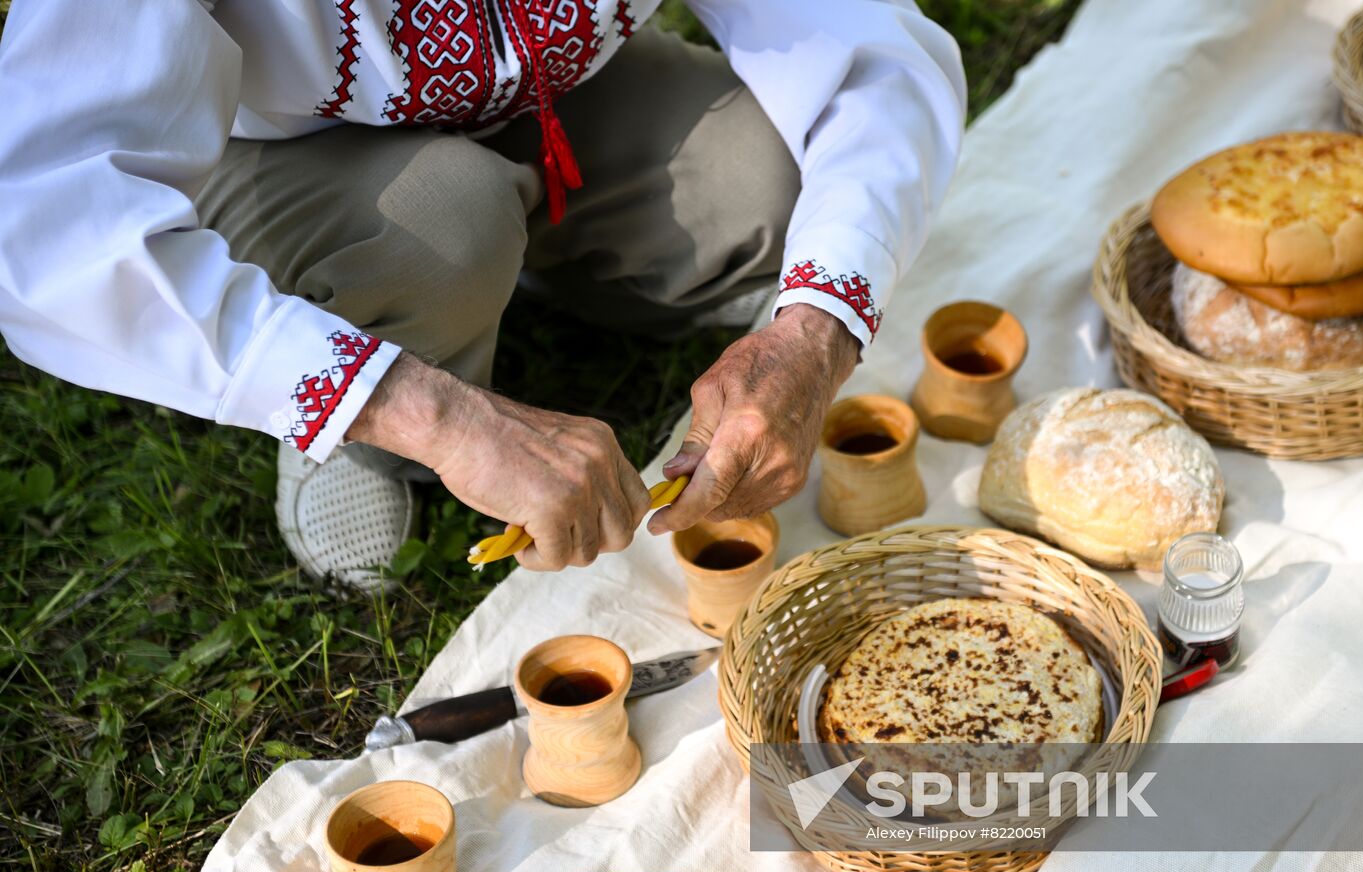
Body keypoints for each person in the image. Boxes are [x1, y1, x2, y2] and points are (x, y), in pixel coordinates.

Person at [0, 0, 965, 589]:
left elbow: (865, 43)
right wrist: (441, 420)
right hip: (289, 138)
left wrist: (811, 336)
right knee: (444, 232)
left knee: (773, 187)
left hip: (552, 93)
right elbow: (46, 222)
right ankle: (346, 399)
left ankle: (534, 264)